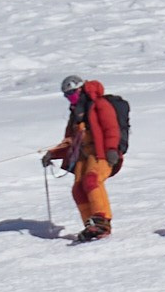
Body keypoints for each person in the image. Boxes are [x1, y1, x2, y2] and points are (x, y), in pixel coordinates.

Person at [44, 74, 121, 242]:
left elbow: (111, 128)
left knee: (92, 180)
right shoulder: (75, 114)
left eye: (71, 94)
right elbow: (69, 141)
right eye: (66, 96)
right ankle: (90, 224)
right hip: (83, 156)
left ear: (80, 90)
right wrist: (53, 154)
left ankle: (102, 221)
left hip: (101, 152)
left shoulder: (99, 104)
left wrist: (112, 149)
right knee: (78, 189)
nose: (69, 98)